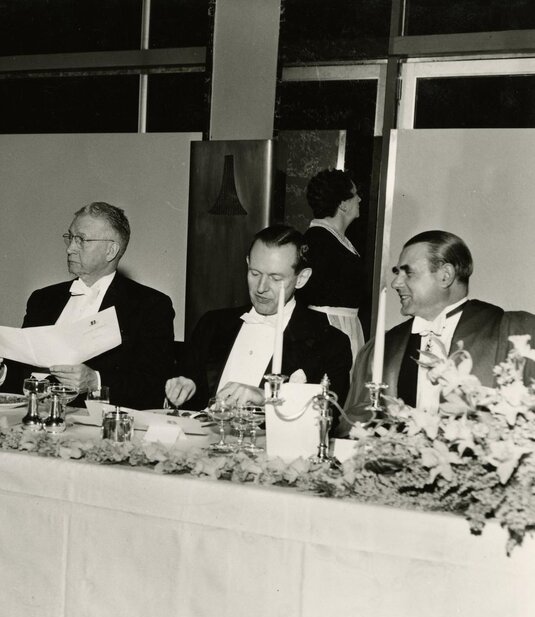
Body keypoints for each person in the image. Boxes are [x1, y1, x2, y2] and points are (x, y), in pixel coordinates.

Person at [0, 201, 174, 409]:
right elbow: (23, 374)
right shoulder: (43, 299)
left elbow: (153, 386)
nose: (69, 249)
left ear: (111, 251)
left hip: (95, 428)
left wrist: (96, 382)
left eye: (81, 240)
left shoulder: (149, 305)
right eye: (70, 237)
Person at [344, 230, 535, 425]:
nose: (395, 283)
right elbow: (354, 425)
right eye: (397, 273)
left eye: (408, 273)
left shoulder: (513, 334)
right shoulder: (383, 349)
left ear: (445, 275)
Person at [166, 224, 352, 411]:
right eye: (254, 273)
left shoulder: (330, 343)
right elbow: (188, 393)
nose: (261, 287)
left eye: (276, 278)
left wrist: (267, 398)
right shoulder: (212, 324)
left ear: (301, 278)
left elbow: (328, 414)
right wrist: (183, 389)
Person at [296, 168, 365, 362]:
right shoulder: (317, 240)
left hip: (347, 326)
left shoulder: (339, 240)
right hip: (329, 330)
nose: (359, 199)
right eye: (355, 195)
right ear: (343, 204)